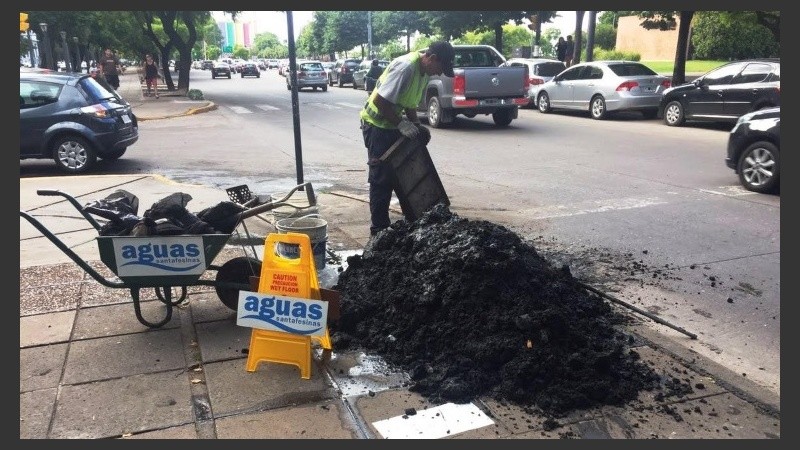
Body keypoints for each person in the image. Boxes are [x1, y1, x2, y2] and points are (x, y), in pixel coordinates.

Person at [358, 41, 455, 236]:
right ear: (432, 58)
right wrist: (402, 124)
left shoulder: (423, 72)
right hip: (376, 126)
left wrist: (417, 125)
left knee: (406, 173)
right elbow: (380, 100)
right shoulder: (406, 68)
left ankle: (414, 222)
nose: (439, 73)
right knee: (381, 179)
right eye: (440, 67)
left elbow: (409, 103)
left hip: (391, 124)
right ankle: (379, 231)